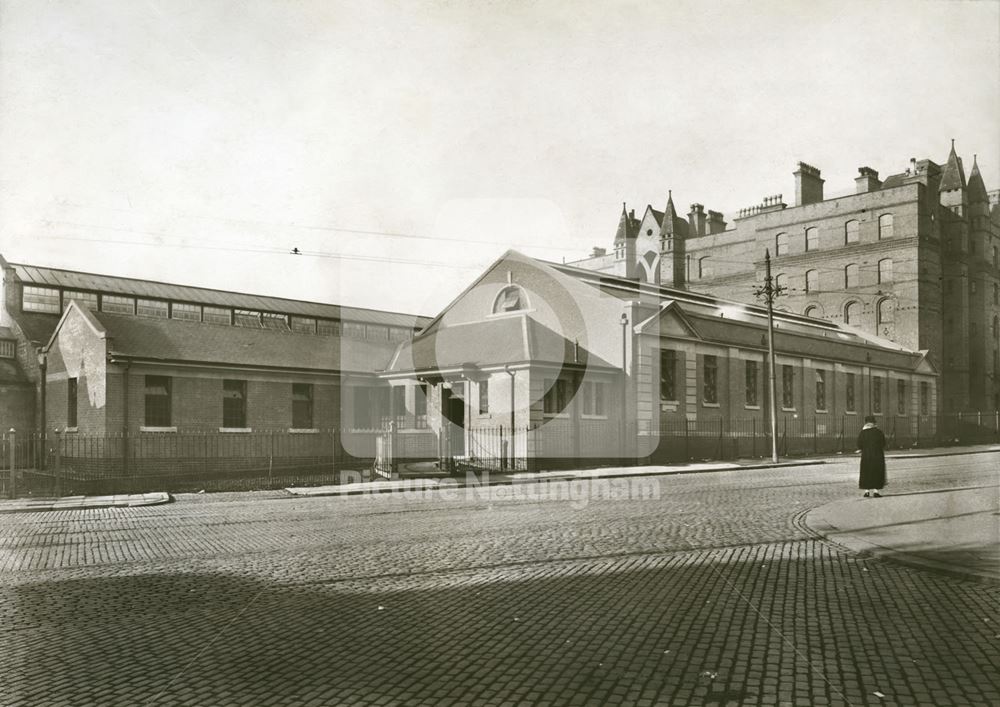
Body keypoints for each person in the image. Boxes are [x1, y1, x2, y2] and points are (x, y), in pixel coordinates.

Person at [856, 414, 886, 497]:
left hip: (866, 456)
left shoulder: (862, 432)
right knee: (877, 472)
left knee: (866, 472)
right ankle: (876, 491)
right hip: (877, 455)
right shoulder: (879, 432)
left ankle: (867, 491)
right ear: (874, 423)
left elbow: (859, 444)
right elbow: (883, 443)